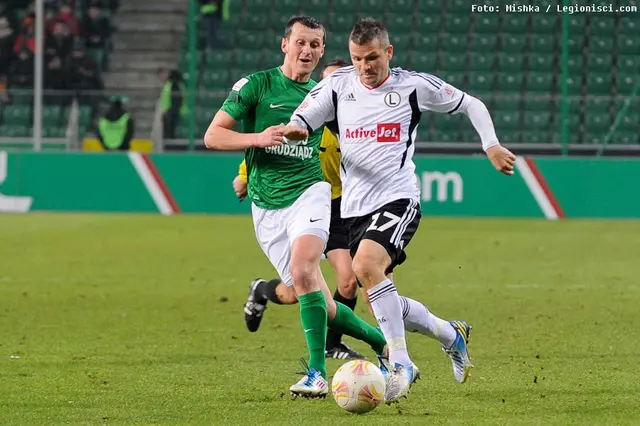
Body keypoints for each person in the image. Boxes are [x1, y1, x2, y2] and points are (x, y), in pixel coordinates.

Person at [282, 18, 516, 403]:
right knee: (381, 297)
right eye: (357, 59)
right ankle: (450, 334)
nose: (364, 67)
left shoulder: (412, 85)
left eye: (372, 58)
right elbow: (304, 117)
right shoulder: (338, 85)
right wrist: (294, 128)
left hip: (398, 197)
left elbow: (472, 104)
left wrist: (490, 144)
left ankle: (400, 362)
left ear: (388, 52)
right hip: (355, 209)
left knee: (363, 268)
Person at [203, 16, 388, 399]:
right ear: (285, 44)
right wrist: (258, 138)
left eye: (315, 45)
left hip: (311, 191)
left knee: (304, 269)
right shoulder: (256, 85)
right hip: (267, 207)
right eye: (301, 42)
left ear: (322, 52)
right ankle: (382, 343)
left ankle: (316, 374)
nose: (308, 51)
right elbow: (212, 135)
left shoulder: (326, 93)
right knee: (317, 296)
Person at [235, 58, 365, 361]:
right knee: (296, 291)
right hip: (307, 200)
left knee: (347, 280)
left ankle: (332, 344)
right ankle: (263, 291)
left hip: (341, 204)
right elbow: (276, 149)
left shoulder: (356, 120)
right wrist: (243, 175)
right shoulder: (308, 115)